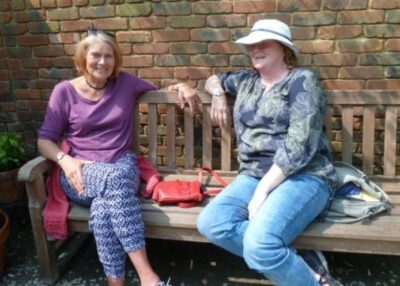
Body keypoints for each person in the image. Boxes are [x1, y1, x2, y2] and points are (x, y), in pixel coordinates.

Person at [37, 29, 199, 286]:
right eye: (96, 55)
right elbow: (45, 139)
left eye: (108, 56)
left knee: (106, 203)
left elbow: (161, 89)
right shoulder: (64, 92)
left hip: (122, 164)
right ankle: (148, 276)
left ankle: (116, 280)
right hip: (80, 170)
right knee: (112, 189)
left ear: (116, 60)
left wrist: (182, 86)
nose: (102, 61)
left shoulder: (126, 83)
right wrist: (64, 160)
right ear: (83, 58)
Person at [197, 19, 343, 286]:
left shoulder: (302, 81)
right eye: (252, 44)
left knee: (260, 245)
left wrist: (262, 191)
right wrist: (218, 94)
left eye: (263, 43)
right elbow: (213, 79)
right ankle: (300, 262)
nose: (255, 49)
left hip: (304, 175)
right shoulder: (246, 81)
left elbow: (299, 145)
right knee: (212, 222)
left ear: (283, 49)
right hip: (252, 175)